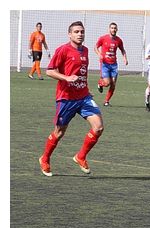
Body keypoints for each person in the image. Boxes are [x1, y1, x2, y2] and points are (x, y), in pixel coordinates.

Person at [38, 21, 104, 177]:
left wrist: (86, 89)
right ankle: (45, 158)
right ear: (70, 34)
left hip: (83, 97)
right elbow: (49, 71)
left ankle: (80, 156)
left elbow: (81, 73)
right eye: (76, 32)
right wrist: (66, 78)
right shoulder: (63, 50)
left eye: (82, 31)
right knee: (59, 132)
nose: (80, 34)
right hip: (66, 98)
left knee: (99, 127)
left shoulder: (86, 51)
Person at [95, 22, 128, 107]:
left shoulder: (119, 40)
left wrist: (125, 58)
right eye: (112, 28)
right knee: (107, 83)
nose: (113, 29)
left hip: (114, 65)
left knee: (113, 83)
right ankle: (100, 83)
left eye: (115, 28)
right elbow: (95, 47)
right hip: (105, 64)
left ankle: (106, 101)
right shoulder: (103, 38)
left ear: (117, 30)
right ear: (109, 29)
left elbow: (122, 50)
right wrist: (99, 54)